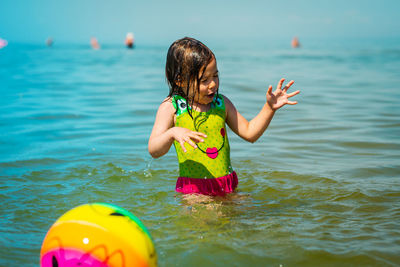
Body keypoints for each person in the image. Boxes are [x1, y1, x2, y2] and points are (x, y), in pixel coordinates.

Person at [148, 37, 300, 196]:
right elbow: (154, 149)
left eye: (215, 76)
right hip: (194, 192)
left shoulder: (221, 103)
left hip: (227, 185)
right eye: (204, 80)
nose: (213, 84)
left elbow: (250, 133)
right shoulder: (172, 108)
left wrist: (269, 108)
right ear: (180, 81)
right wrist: (172, 133)